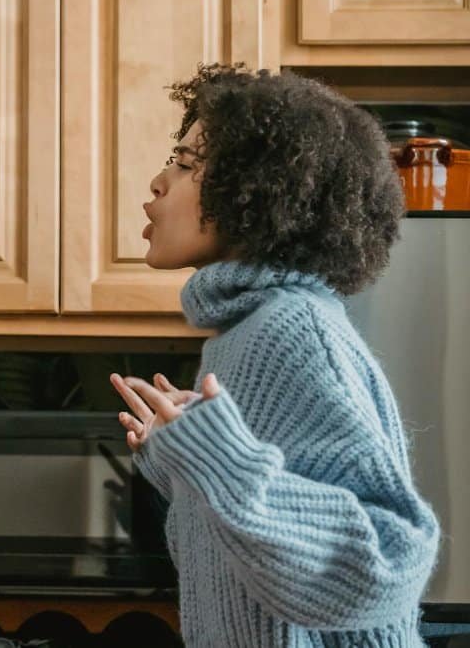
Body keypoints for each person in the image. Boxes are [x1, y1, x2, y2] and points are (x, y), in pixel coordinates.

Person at [109, 64, 439, 646]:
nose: (159, 181)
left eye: (186, 164)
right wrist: (186, 463)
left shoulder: (291, 328)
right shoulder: (238, 333)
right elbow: (253, 566)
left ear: (258, 191)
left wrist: (224, 465)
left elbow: (389, 566)